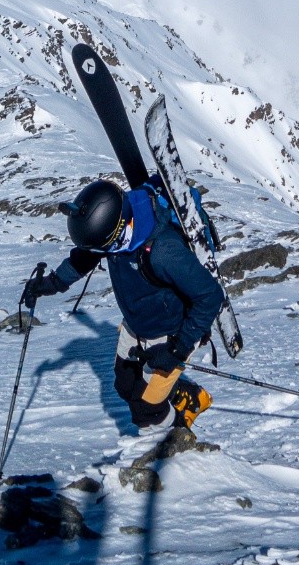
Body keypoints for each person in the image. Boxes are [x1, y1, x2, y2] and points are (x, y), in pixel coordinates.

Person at [23, 177, 224, 430]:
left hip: (172, 332)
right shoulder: (115, 224)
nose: (99, 253)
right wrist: (52, 283)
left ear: (118, 232)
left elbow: (210, 296)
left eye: (102, 247)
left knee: (146, 413)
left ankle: (179, 434)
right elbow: (87, 255)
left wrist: (177, 350)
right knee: (126, 386)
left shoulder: (163, 251)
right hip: (136, 323)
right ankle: (186, 393)